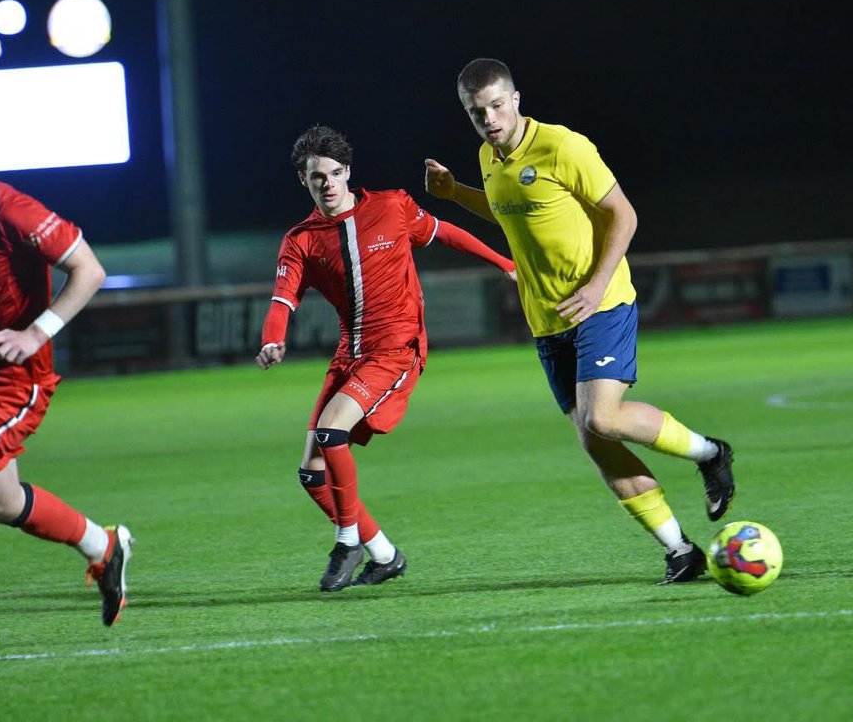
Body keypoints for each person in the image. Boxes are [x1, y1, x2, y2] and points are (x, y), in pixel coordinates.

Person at [424, 58, 735, 585]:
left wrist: (595, 285)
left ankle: (710, 453)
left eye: (498, 106)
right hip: (547, 319)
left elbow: (624, 214)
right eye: (478, 113)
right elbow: (509, 210)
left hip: (601, 301)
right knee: (594, 439)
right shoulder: (487, 156)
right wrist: (455, 194)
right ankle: (681, 551)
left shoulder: (564, 146)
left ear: (517, 99)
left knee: (603, 419)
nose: (491, 119)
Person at [258, 124, 515, 591]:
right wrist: (271, 338)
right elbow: (283, 297)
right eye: (318, 177)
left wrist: (506, 265)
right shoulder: (301, 239)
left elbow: (446, 233)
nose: (329, 184)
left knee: (330, 430)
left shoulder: (391, 207)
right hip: (350, 352)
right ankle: (385, 554)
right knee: (312, 474)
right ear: (303, 180)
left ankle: (347, 540)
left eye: (336, 173)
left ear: (349, 172)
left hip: (397, 347)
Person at [0, 104, 133, 625]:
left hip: (10, 385)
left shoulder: (9, 207)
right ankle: (104, 545)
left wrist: (34, 333)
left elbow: (89, 269)